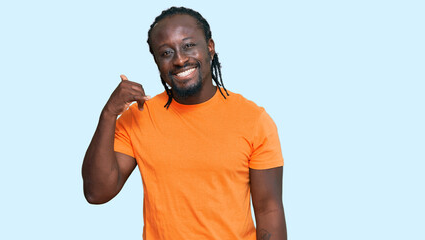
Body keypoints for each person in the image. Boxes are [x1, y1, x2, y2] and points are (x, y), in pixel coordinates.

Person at [82, 6, 287, 240]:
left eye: (188, 45)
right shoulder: (139, 116)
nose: (179, 59)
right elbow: (96, 193)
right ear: (157, 62)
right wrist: (108, 114)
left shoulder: (253, 119)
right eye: (166, 53)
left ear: (210, 47)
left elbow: (269, 208)